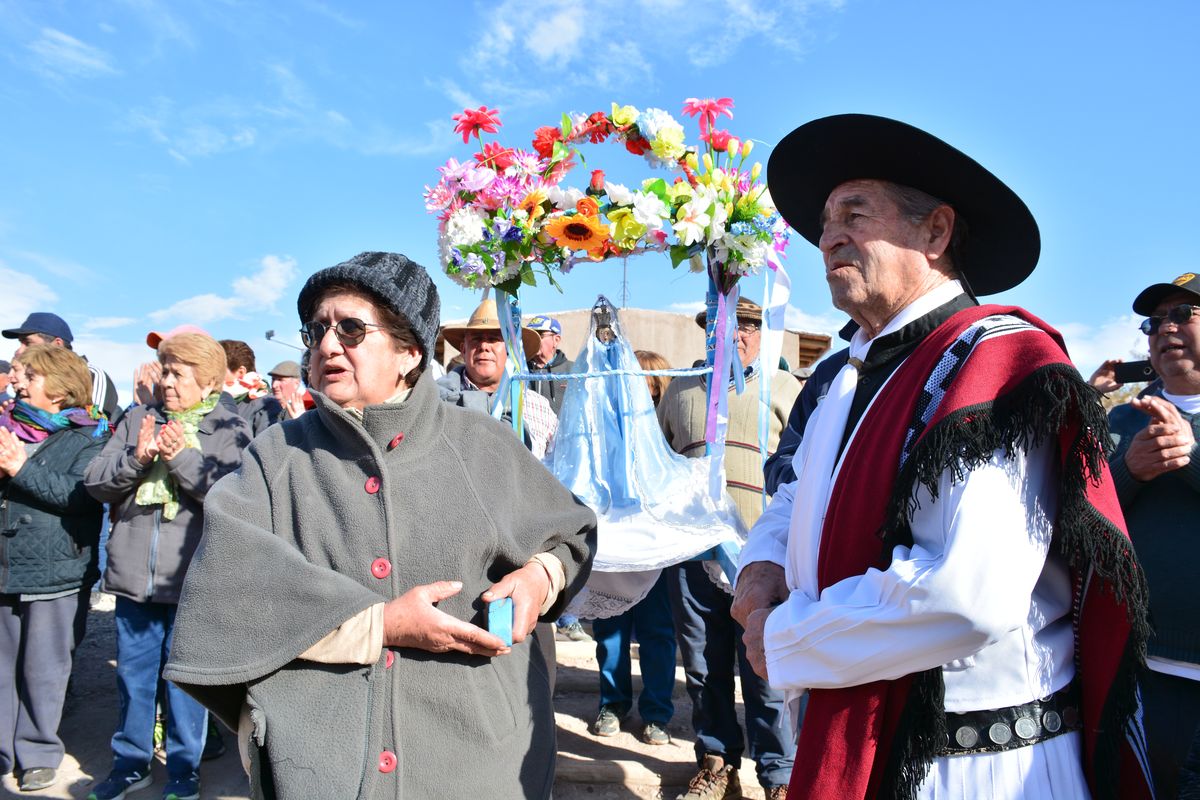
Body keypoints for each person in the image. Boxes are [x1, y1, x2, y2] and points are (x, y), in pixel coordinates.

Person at [732, 114, 1152, 799]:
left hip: (978, 766)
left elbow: (965, 595)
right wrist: (762, 568)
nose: (828, 234)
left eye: (855, 213)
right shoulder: (845, 377)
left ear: (935, 232)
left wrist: (787, 639)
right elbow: (796, 494)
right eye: (825, 220)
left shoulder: (993, 365)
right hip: (867, 738)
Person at [162, 252, 596, 799]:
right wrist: (379, 623)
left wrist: (540, 577)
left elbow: (573, 533)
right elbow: (225, 589)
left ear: (409, 351)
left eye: (349, 328)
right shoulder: (277, 457)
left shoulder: (483, 444)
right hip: (325, 769)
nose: (325, 345)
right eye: (317, 329)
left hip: (474, 765)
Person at [84, 332, 251, 800]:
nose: (169, 381)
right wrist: (139, 457)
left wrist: (178, 458)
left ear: (210, 381)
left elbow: (232, 498)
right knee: (132, 679)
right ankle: (130, 764)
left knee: (185, 686)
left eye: (180, 373)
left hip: (193, 581)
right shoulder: (138, 418)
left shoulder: (231, 429)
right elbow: (96, 481)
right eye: (166, 370)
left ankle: (184, 770)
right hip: (134, 577)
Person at [656, 298, 800, 800]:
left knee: (768, 668)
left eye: (747, 325)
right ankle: (717, 763)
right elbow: (664, 463)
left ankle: (779, 776)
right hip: (694, 557)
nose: (735, 334)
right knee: (702, 666)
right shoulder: (680, 389)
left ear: (761, 332)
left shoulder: (785, 389)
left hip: (763, 561)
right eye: (723, 324)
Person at [1107, 272, 1200, 798]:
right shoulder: (1122, 419)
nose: (1166, 327)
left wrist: (1189, 457)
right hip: (1138, 670)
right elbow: (1079, 520)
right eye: (1155, 321)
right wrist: (1131, 473)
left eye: (1184, 314)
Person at [0, 345, 108, 792]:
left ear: (61, 391)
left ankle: (38, 751)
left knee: (45, 670)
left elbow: (79, 497)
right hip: (6, 567)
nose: (19, 382)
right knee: (1, 668)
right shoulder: (7, 427)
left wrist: (19, 467)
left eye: (31, 376)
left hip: (56, 571)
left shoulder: (90, 438)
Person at [589, 349, 679, 747]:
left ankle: (657, 712)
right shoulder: (604, 424)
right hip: (614, 543)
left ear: (656, 384)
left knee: (658, 632)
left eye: (639, 378)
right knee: (610, 628)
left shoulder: (665, 427)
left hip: (655, 546)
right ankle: (613, 703)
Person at [439, 298, 558, 459]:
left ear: (511, 350)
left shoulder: (539, 408)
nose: (484, 346)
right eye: (476, 338)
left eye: (494, 339)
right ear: (463, 349)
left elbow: (556, 468)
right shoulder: (435, 402)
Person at [2, 312, 120, 420]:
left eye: (28, 343)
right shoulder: (28, 377)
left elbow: (96, 427)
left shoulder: (92, 375)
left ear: (57, 344)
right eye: (20, 343)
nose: (19, 351)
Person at [218, 340, 283, 436]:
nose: (213, 375)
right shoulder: (211, 400)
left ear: (241, 372)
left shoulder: (266, 405)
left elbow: (265, 447)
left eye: (219, 370)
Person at [526, 314, 573, 415]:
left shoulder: (574, 370)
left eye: (540, 335)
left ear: (556, 340)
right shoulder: (520, 371)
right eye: (532, 335)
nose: (534, 339)